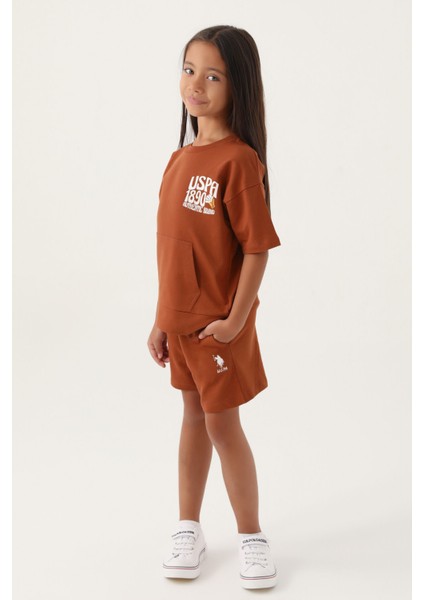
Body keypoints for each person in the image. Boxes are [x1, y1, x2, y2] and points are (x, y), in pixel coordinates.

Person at [147, 25, 281, 590]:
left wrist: (235, 320)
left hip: (219, 328)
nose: (195, 84)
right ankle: (189, 528)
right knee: (192, 418)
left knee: (224, 426)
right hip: (180, 326)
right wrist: (160, 318)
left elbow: (256, 248)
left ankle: (251, 536)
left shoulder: (239, 161)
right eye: (189, 69)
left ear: (237, 86)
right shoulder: (179, 159)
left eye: (213, 76)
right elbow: (172, 250)